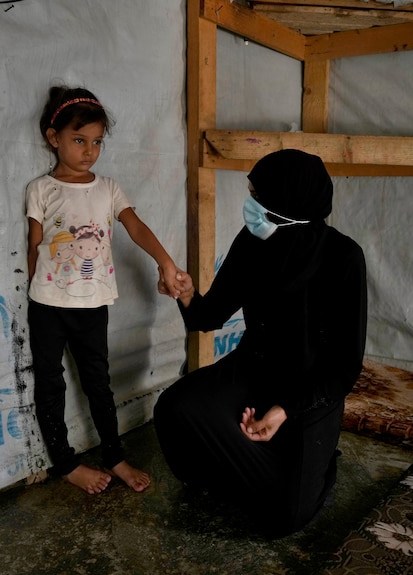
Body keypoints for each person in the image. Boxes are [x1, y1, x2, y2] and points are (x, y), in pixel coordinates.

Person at [155, 149, 367, 537]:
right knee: (175, 407)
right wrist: (185, 293)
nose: (250, 204)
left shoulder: (343, 257)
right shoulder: (254, 241)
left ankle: (317, 463)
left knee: (287, 516)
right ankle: (256, 460)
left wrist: (284, 410)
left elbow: (344, 365)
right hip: (254, 368)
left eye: (257, 195)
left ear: (286, 200)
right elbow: (210, 315)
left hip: (308, 389)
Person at [26, 86, 183, 494]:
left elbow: (135, 227)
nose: (89, 151)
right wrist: (38, 289)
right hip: (46, 305)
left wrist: (165, 262)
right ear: (52, 137)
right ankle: (66, 464)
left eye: (96, 142)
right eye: (79, 140)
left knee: (98, 382)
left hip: (92, 306)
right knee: (50, 384)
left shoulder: (109, 188)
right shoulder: (41, 190)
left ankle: (114, 456)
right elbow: (34, 245)